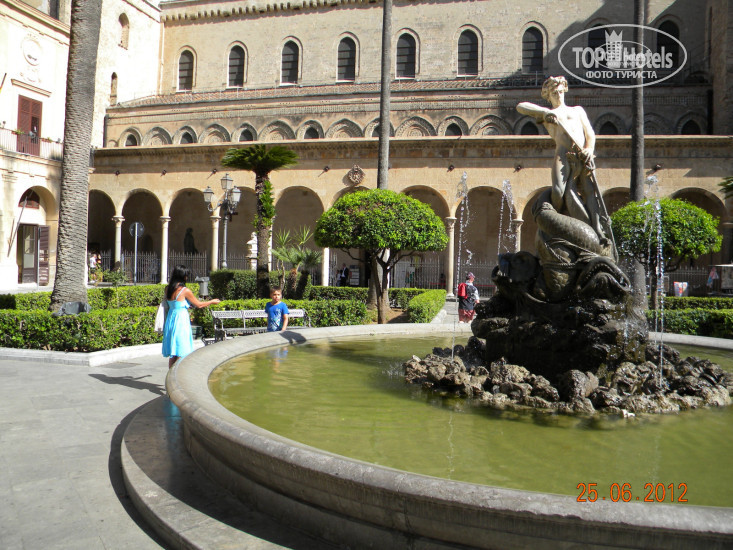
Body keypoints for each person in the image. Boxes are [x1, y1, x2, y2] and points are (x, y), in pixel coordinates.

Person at [516, 76, 609, 245]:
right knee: (558, 191)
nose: (558, 95)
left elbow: (590, 133)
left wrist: (589, 149)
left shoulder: (577, 110)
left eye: (560, 91)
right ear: (548, 96)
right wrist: (544, 113)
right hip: (563, 154)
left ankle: (597, 229)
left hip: (582, 155)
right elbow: (521, 106)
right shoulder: (549, 114)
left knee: (589, 192)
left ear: (565, 90)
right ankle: (556, 226)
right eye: (554, 93)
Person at [162, 265, 220, 368]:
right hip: (180, 321)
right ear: (183, 276)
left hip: (171, 319)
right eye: (186, 275)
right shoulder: (185, 291)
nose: (187, 277)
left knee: (173, 353)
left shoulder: (168, 289)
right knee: (182, 351)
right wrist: (212, 301)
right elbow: (199, 304)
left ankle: (170, 375)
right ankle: (176, 375)